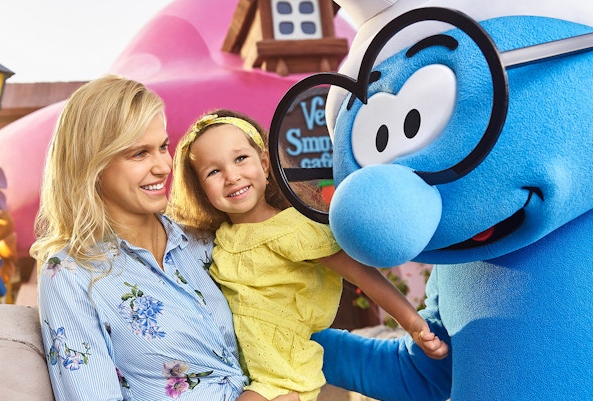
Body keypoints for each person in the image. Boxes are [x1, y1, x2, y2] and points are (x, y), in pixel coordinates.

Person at [31, 76, 300, 401]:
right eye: (139, 154)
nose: (163, 166)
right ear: (93, 165)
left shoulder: (205, 243)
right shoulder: (70, 274)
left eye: (162, 147)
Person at [167, 109, 449, 401]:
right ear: (201, 189)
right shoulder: (219, 240)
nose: (231, 176)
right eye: (213, 172)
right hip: (242, 373)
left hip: (284, 375)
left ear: (264, 164)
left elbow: (361, 275)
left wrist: (413, 325)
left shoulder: (293, 228)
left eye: (240, 159)